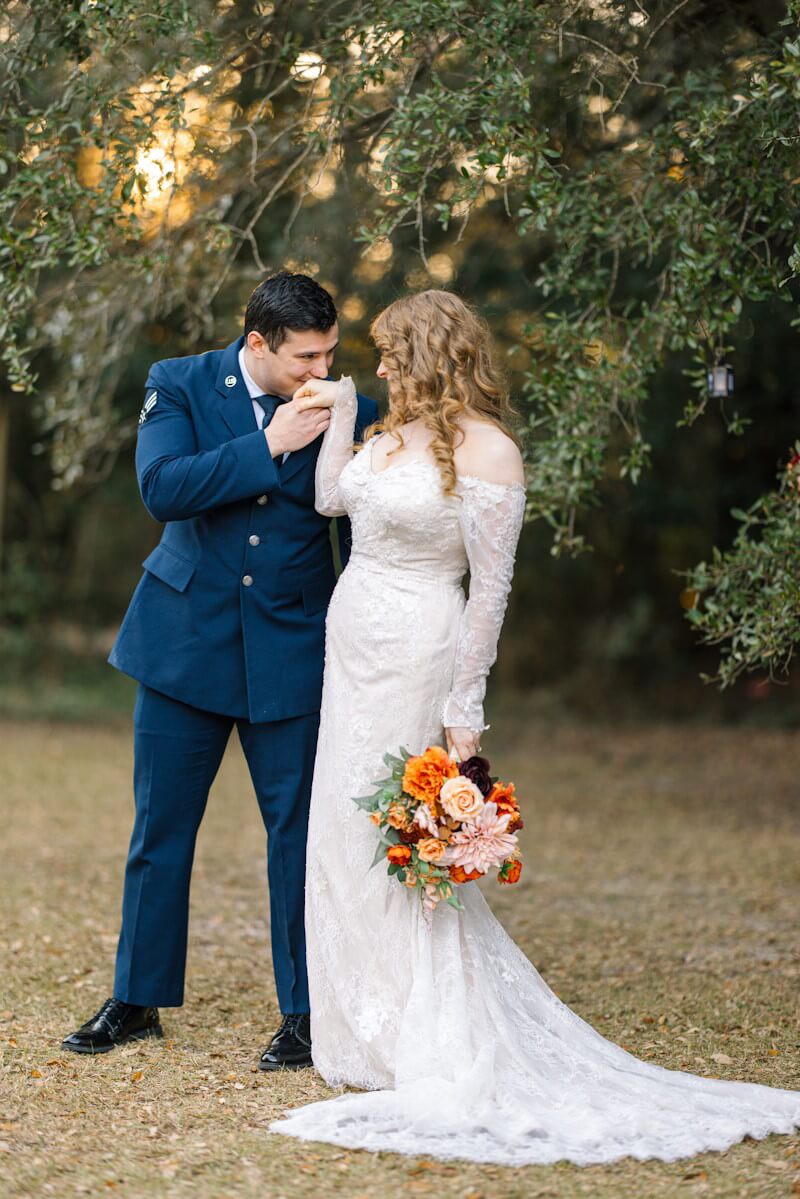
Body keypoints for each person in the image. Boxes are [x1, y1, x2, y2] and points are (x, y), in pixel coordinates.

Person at [269, 289, 800, 1164]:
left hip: (421, 648)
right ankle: (361, 1034)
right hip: (351, 643)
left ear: (435, 351)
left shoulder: (492, 452)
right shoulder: (384, 433)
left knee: (396, 835)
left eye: (395, 353)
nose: (385, 364)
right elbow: (331, 499)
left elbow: (491, 589)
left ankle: (421, 1029)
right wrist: (344, 412)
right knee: (335, 831)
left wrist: (465, 703)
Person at [60, 272, 378, 1068]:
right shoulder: (179, 384)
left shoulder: (354, 410)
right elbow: (163, 488)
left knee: (297, 838)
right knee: (159, 831)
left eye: (331, 353)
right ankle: (136, 999)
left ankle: (305, 1013)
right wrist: (270, 446)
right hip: (183, 643)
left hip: (294, 648)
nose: (322, 371)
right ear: (258, 343)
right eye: (306, 357)